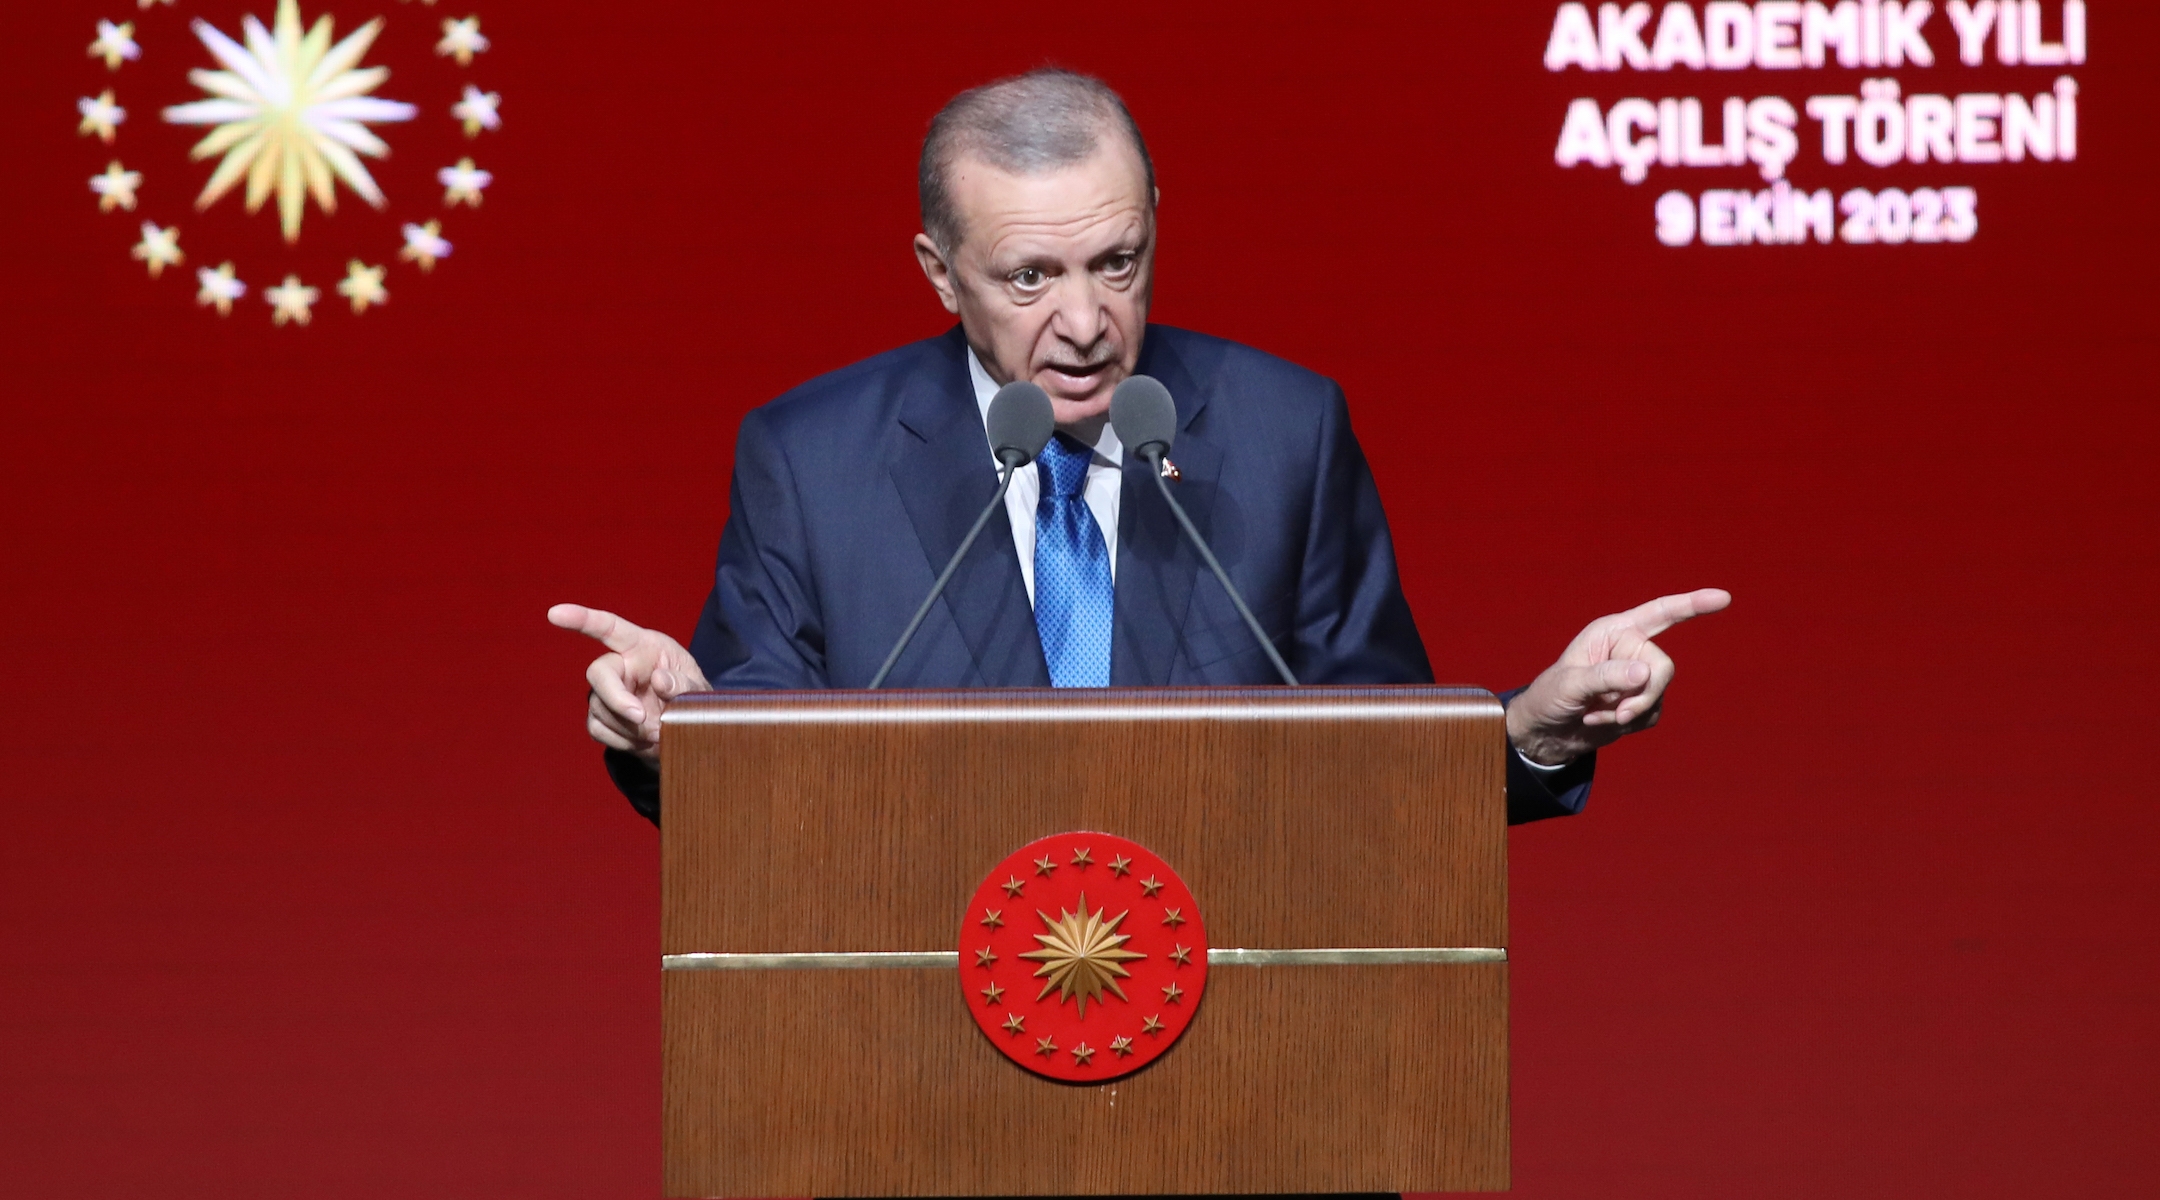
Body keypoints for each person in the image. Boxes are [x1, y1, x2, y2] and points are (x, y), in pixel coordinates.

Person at [549, 68, 1728, 824]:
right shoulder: (810, 461)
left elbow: (1379, 762)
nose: (1084, 321)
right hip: (920, 1054)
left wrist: (1529, 731)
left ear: (1156, 223)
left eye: (1116, 262)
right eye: (1029, 277)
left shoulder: (1285, 430)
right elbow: (750, 768)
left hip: (1236, 1041)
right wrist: (678, 739)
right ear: (939, 274)